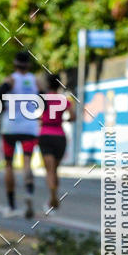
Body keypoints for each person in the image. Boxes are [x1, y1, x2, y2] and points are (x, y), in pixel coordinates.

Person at [0, 51, 43, 219]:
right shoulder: (35, 81)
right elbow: (44, 101)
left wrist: (2, 106)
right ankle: (29, 194)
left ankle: (11, 205)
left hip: (10, 127)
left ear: (15, 64)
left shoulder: (11, 80)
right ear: (29, 65)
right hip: (30, 127)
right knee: (27, 163)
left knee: (9, 165)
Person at [38, 73, 76, 211]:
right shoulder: (65, 100)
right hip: (60, 136)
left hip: (45, 135)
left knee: (49, 170)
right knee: (55, 170)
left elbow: (36, 116)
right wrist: (63, 120)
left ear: (48, 84)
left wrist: (42, 120)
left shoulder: (43, 100)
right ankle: (53, 198)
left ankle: (53, 198)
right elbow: (73, 117)